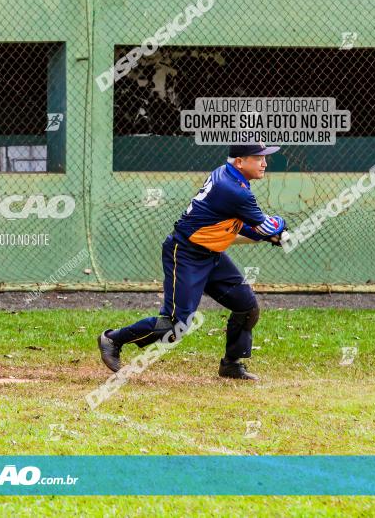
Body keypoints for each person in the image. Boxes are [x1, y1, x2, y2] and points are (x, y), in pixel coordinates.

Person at [97, 144, 287, 380]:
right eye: (258, 158)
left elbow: (240, 224)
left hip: (211, 255)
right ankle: (113, 339)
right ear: (239, 162)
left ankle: (231, 364)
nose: (264, 163)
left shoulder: (229, 176)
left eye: (264, 158)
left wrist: (264, 233)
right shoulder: (235, 190)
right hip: (186, 254)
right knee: (175, 325)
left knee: (246, 307)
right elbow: (268, 225)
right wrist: (279, 225)